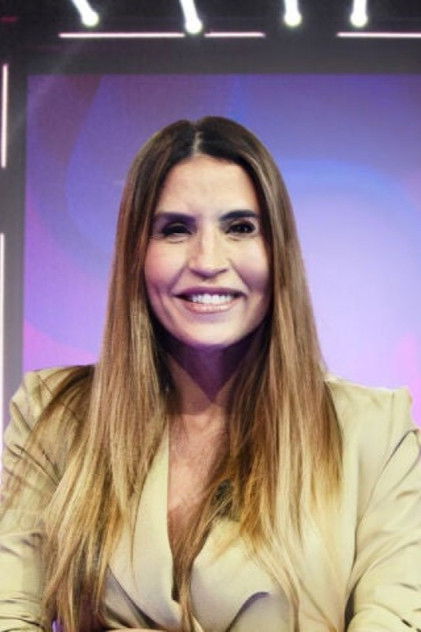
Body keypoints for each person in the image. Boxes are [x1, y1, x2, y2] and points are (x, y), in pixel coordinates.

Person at [0, 116, 420, 632]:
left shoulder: (375, 432)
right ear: (137, 254)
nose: (207, 260)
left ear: (279, 251)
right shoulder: (54, 416)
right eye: (176, 229)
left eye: (240, 228)